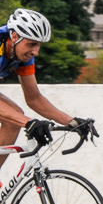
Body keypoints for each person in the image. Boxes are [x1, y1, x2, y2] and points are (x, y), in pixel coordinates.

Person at [0, 9, 96, 171]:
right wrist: (29, 123)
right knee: (16, 115)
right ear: (14, 36)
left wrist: (72, 122)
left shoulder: (23, 55)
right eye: (31, 44)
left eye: (38, 45)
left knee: (14, 116)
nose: (35, 52)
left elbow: (34, 98)